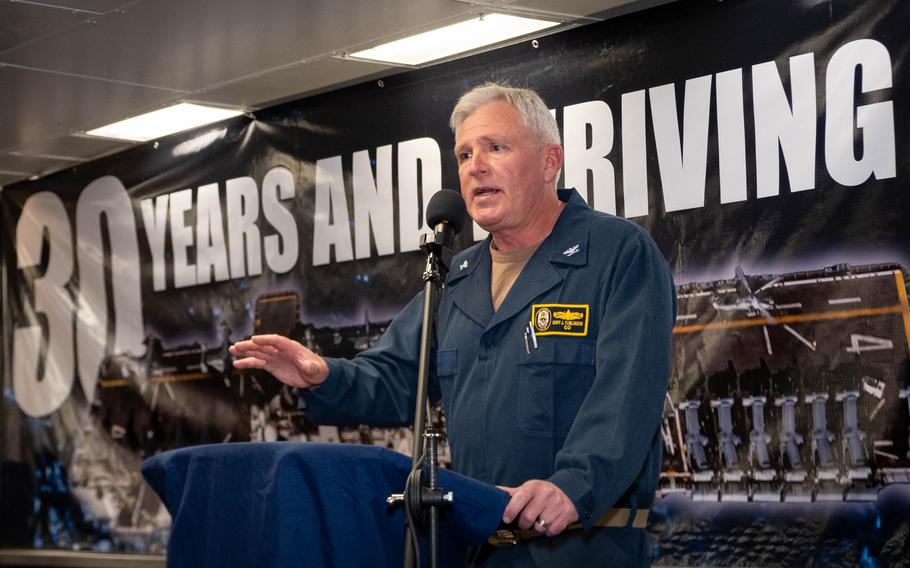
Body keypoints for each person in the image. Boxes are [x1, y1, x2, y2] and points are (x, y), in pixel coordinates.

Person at [230, 82, 676, 567]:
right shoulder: (458, 278)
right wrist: (323, 375)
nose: (474, 167)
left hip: (581, 551)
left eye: (495, 148)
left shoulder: (616, 254)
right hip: (477, 551)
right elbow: (398, 377)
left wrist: (573, 485)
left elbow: (627, 394)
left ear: (550, 161)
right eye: (464, 155)